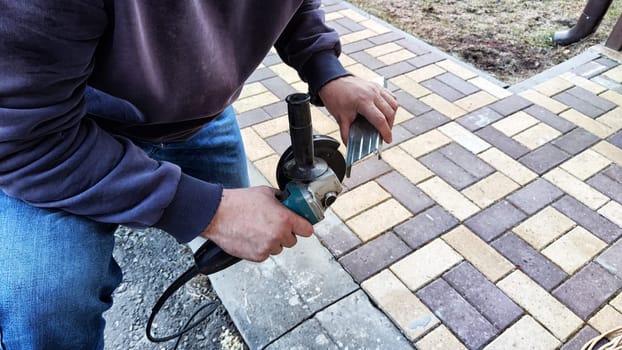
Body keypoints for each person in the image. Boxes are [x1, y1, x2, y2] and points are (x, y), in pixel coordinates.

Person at [0, 1, 398, 348]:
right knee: (43, 303)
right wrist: (210, 211)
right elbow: (24, 142)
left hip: (200, 120)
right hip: (65, 135)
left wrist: (326, 69)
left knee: (245, 229)